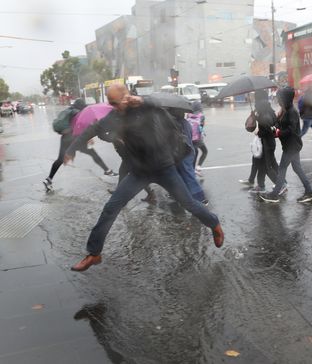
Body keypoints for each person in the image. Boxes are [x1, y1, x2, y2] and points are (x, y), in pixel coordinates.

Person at [67, 84, 224, 272]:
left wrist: (142, 101)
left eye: (116, 103)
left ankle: (213, 223)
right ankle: (94, 253)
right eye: (111, 104)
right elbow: (92, 130)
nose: (114, 107)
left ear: (127, 97)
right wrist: (70, 150)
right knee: (111, 208)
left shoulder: (145, 107)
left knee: (189, 203)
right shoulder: (115, 116)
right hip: (139, 172)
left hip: (164, 168)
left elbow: (156, 104)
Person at [43, 99, 117, 193]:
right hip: (75, 138)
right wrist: (88, 137)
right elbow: (82, 126)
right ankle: (107, 170)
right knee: (92, 152)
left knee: (60, 159)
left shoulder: (69, 111)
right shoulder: (79, 113)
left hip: (65, 138)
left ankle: (49, 179)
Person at [259, 87, 312, 203]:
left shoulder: (292, 112)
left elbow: (291, 130)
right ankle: (310, 192)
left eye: (280, 98)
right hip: (290, 145)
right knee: (297, 168)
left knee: (282, 169)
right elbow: (282, 125)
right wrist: (276, 126)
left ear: (285, 99)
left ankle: (274, 194)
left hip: (292, 146)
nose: (278, 100)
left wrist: (279, 132)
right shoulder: (285, 110)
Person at [168, 107, 209, 204]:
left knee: (188, 175)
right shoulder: (185, 122)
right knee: (181, 174)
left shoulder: (177, 124)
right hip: (186, 151)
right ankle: (176, 194)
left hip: (182, 153)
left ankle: (201, 198)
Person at [249, 89, 282, 194]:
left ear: (258, 99)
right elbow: (275, 124)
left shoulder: (262, 112)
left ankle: (281, 185)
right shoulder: (269, 109)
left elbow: (268, 129)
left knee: (267, 167)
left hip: (267, 143)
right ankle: (261, 185)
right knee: (261, 164)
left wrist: (259, 129)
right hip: (269, 142)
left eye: (255, 98)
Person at [187, 101, 208, 174]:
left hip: (190, 138)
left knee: (195, 152)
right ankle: (198, 166)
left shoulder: (189, 115)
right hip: (198, 139)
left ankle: (192, 169)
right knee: (205, 151)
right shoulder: (201, 116)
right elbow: (201, 127)